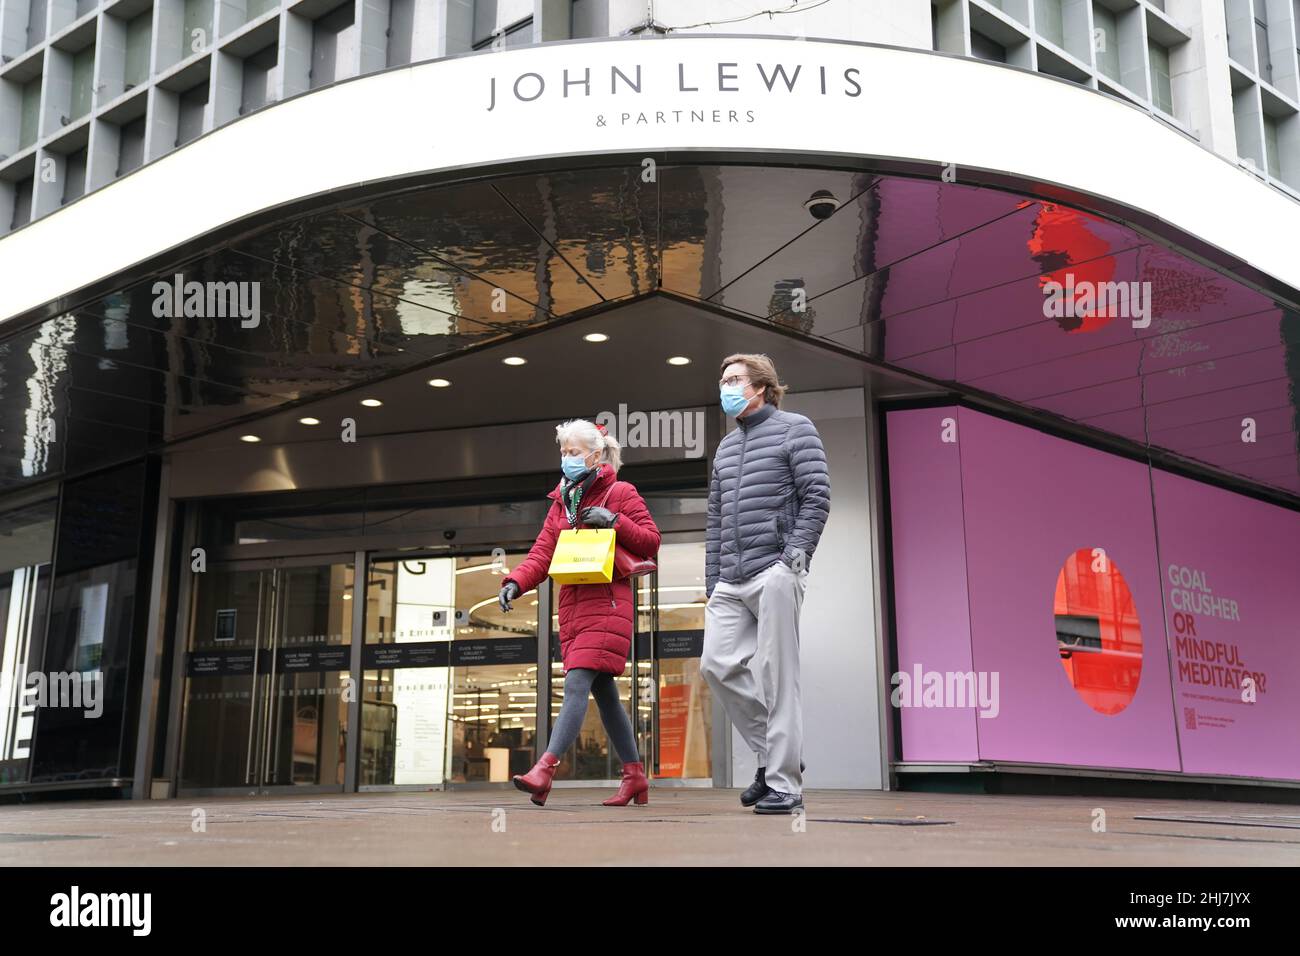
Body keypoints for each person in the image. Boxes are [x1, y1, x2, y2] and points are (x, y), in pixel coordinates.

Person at [500, 419, 661, 807]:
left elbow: (651, 541)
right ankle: (634, 776)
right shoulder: (562, 502)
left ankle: (545, 769)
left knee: (576, 683)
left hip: (607, 605)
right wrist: (516, 581)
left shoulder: (620, 492)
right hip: (573, 608)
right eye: (563, 452)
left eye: (573, 452)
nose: (566, 459)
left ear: (595, 454)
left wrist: (614, 522)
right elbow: (542, 553)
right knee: (604, 694)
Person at [700, 353, 830, 814]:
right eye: (723, 380)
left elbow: (817, 495)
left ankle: (785, 785)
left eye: (734, 379)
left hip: (774, 571)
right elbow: (715, 519)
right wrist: (713, 580)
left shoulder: (796, 428)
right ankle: (774, 756)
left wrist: (790, 562)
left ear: (762, 386)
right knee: (716, 665)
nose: (726, 387)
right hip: (731, 580)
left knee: (777, 677)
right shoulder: (727, 447)